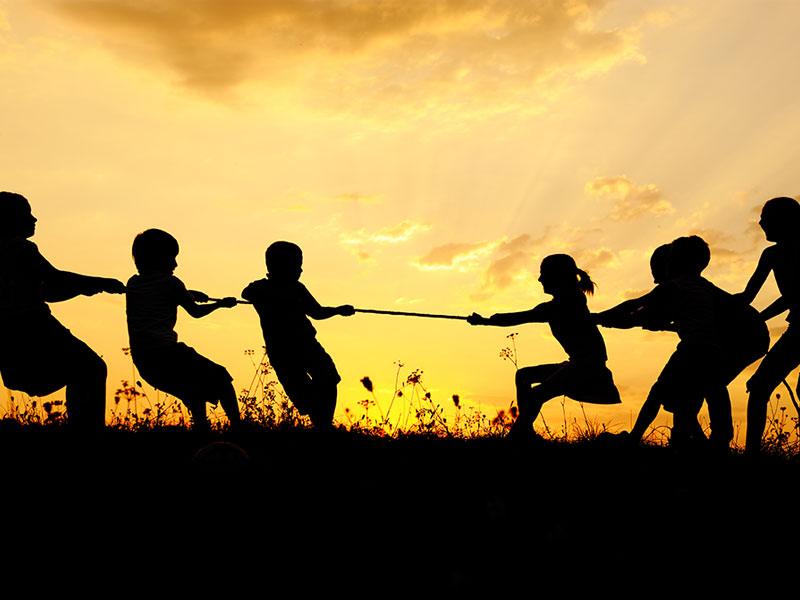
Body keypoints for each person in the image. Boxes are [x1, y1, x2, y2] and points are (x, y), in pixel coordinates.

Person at [597, 239, 767, 449]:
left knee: (664, 392)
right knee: (710, 388)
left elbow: (635, 308)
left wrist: (598, 318)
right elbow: (685, 317)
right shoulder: (703, 286)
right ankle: (712, 439)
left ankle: (639, 438)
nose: (655, 279)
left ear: (675, 263)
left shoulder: (674, 286)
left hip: (711, 346)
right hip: (716, 347)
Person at [0, 191, 125, 431]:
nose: (34, 219)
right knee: (91, 368)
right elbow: (54, 279)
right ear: (11, 219)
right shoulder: (21, 248)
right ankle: (87, 433)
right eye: (27, 214)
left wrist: (84, 288)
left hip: (13, 333)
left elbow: (48, 292)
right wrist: (99, 282)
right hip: (33, 327)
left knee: (82, 370)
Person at [468, 253, 620, 440]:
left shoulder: (564, 303)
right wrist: (487, 321)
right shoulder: (568, 300)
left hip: (587, 368)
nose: (539, 279)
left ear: (557, 276)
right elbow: (524, 315)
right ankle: (524, 433)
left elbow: (520, 317)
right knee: (523, 375)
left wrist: (485, 321)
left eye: (543, 274)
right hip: (579, 364)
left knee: (536, 394)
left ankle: (519, 435)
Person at [126, 228, 241, 431]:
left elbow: (157, 293)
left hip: (144, 359)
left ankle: (201, 430)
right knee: (221, 377)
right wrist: (220, 304)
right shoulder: (172, 283)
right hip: (168, 353)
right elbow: (195, 312)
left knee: (192, 391)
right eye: (171, 258)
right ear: (159, 258)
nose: (175, 264)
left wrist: (186, 293)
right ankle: (239, 427)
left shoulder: (133, 284)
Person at [242, 241, 354, 430]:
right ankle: (322, 427)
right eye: (296, 265)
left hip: (307, 344)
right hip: (282, 351)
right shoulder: (262, 288)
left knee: (328, 377)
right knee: (303, 391)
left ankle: (324, 426)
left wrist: (337, 310)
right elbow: (246, 293)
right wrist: (274, 297)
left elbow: (317, 312)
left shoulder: (296, 288)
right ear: (280, 266)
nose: (300, 269)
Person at [738, 196, 800, 454]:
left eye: (766, 217)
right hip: (797, 329)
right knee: (759, 386)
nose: (761, 222)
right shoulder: (771, 255)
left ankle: (752, 453)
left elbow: (794, 295)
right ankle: (752, 452)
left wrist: (759, 318)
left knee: (760, 386)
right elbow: (746, 297)